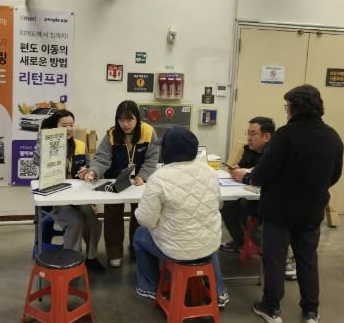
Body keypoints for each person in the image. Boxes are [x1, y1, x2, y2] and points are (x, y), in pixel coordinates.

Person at [234, 85, 343, 323]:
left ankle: (271, 307)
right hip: (311, 209)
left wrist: (246, 177)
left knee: (275, 259)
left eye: (287, 106)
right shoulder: (332, 136)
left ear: (295, 107)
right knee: (307, 259)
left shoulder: (285, 135)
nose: (286, 111)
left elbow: (264, 172)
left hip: (279, 209)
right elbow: (335, 174)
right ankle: (311, 311)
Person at [132, 126, 229, 307]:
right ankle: (219, 292)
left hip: (176, 250)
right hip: (210, 244)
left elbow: (146, 220)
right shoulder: (209, 171)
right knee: (203, 239)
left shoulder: (159, 177)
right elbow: (218, 204)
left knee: (139, 235)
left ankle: (149, 287)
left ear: (168, 151)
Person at [83, 100, 158, 267]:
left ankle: (137, 249)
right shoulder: (112, 134)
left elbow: (152, 158)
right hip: (115, 180)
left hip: (139, 182)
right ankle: (114, 253)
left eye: (129, 119)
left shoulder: (148, 132)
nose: (125, 124)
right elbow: (101, 158)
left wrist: (144, 175)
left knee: (140, 216)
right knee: (112, 217)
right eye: (121, 119)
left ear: (137, 118)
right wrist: (93, 171)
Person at [34, 109, 105, 274]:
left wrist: (87, 171)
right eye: (64, 125)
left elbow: (89, 165)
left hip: (77, 197)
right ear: (55, 127)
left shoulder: (80, 145)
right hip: (56, 201)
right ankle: (72, 260)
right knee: (76, 220)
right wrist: (42, 138)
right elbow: (37, 160)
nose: (69, 129)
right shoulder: (46, 144)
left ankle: (91, 258)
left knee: (93, 221)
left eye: (71, 125)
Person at [220, 116, 275, 253]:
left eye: (253, 134)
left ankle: (265, 246)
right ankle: (240, 242)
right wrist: (237, 169)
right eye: (248, 133)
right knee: (228, 207)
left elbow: (263, 177)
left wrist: (244, 175)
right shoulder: (250, 149)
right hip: (249, 192)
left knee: (242, 206)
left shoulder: (274, 153)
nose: (249, 138)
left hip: (268, 198)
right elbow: (242, 166)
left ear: (267, 137)